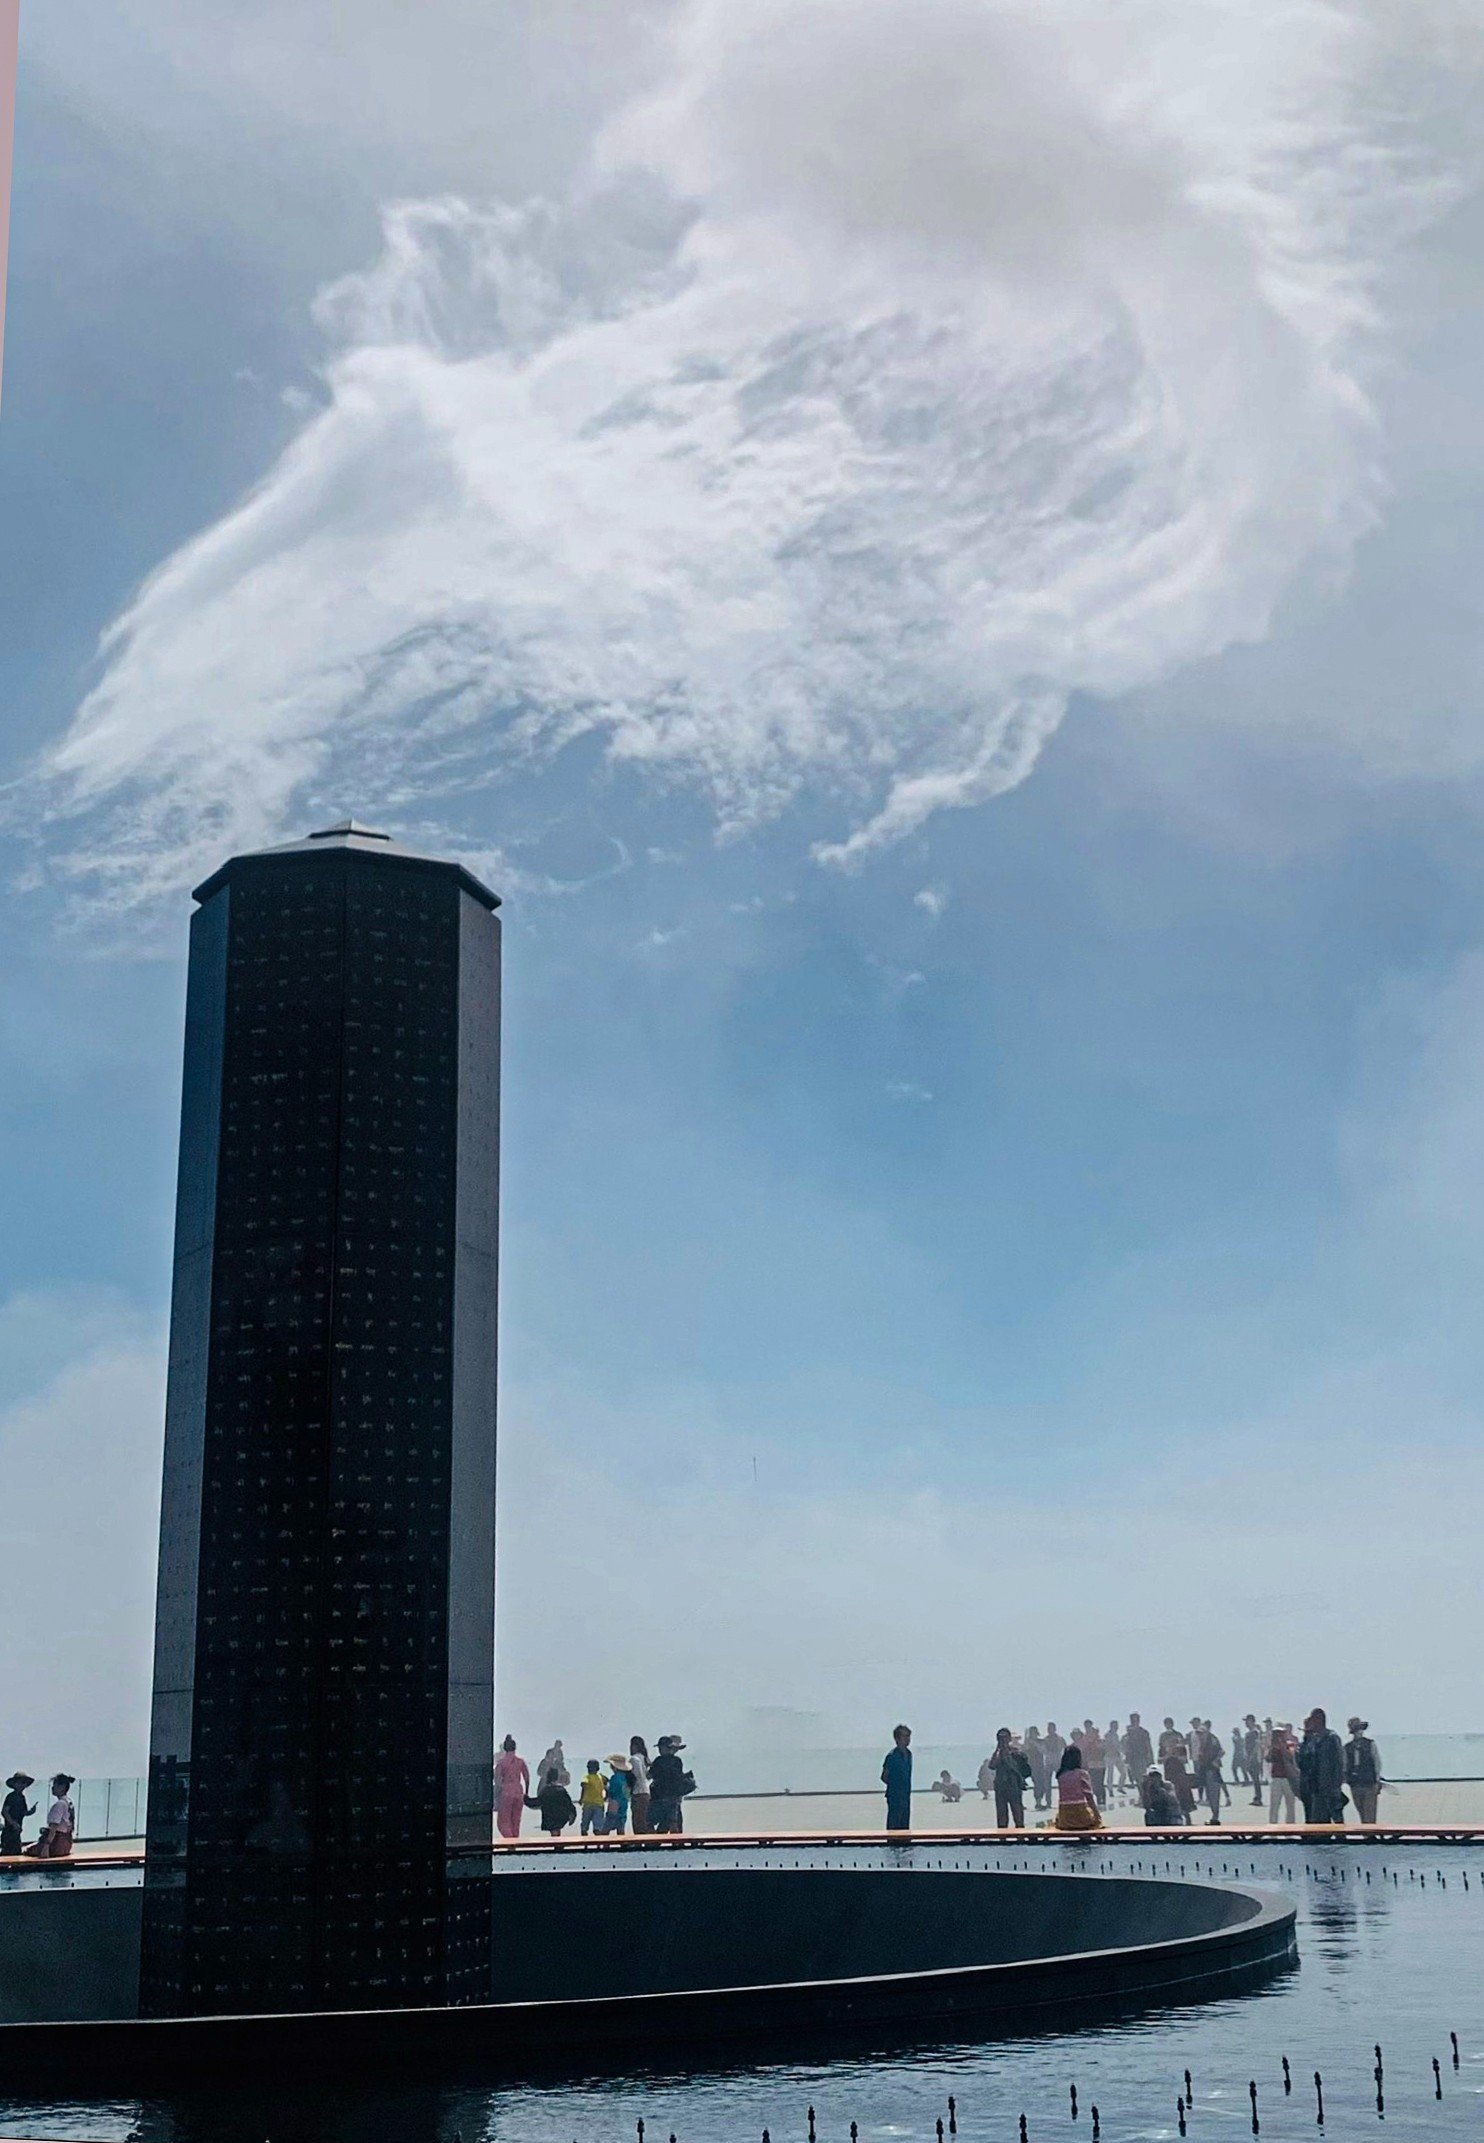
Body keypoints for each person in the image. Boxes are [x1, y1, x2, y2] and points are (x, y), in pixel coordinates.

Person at [1298, 1709, 1345, 1824]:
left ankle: (1341, 1840)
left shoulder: (1331, 1738)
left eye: (1313, 1720)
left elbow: (1339, 1763)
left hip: (1330, 1787)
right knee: (1319, 1821)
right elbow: (1303, 1761)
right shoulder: (1313, 1739)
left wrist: (1336, 1785)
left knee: (1337, 1819)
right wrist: (1306, 1736)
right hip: (1316, 1787)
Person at [1053, 1743, 1103, 1832]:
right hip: (1080, 1816)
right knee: (1094, 1820)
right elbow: (1089, 1797)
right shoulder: (1082, 1774)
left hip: (1064, 1819)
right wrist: (1097, 1816)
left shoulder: (1061, 1775)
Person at [649, 1735, 694, 1833]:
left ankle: (654, 1843)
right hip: (673, 1796)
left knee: (651, 1821)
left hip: (659, 1796)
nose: (660, 1750)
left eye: (661, 1748)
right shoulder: (677, 1761)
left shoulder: (658, 1761)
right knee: (673, 1821)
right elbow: (678, 1777)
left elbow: (650, 1775)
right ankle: (676, 1843)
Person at [988, 1728, 1031, 1829]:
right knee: (1002, 1816)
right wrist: (998, 1750)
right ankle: (1002, 1838)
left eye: (1005, 1738)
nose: (1003, 1740)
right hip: (1000, 1786)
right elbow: (992, 1765)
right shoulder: (997, 1753)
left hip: (1014, 1786)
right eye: (1000, 1738)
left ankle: (1020, 1836)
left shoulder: (1016, 1752)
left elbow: (1022, 1765)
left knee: (1018, 1814)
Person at [1344, 1718, 1382, 1825]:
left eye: (1360, 1729)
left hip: (1369, 1782)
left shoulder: (1370, 1744)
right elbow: (1345, 1765)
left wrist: (1377, 1780)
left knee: (1370, 1812)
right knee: (1361, 1811)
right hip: (1355, 1784)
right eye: (1356, 1730)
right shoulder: (1347, 1747)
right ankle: (1366, 1836)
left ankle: (1370, 1835)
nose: (1359, 1732)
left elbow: (1377, 1763)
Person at [494, 1736, 530, 1839]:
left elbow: (497, 1781)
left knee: (503, 1822)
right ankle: (515, 1841)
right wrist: (526, 1792)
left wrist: (496, 1795)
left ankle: (510, 1842)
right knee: (516, 1821)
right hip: (518, 1792)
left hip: (505, 1792)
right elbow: (527, 1777)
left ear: (505, 1748)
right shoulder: (520, 1761)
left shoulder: (501, 1763)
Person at [33, 1775, 75, 1860]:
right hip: (66, 1844)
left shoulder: (59, 1804)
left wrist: (46, 1846)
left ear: (62, 1787)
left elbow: (54, 1827)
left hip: (57, 1844)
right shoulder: (69, 1802)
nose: (52, 1787)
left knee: (27, 1850)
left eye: (55, 1785)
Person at [881, 1724, 913, 1834]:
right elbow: (884, 1776)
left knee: (905, 1825)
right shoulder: (892, 1756)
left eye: (908, 1736)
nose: (908, 1739)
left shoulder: (909, 1754)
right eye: (905, 1737)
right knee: (894, 1825)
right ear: (897, 1739)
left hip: (906, 1795)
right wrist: (896, 1785)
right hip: (895, 1796)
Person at [1267, 1723, 1300, 1825]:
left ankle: (1290, 1826)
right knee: (1274, 1805)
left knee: (1290, 1804)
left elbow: (1291, 1756)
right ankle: (1272, 1826)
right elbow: (1268, 1759)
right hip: (1276, 1778)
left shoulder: (1290, 1744)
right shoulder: (1272, 1748)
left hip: (1288, 1778)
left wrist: (1282, 1746)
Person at [1194, 1723, 1225, 1824]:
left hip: (1212, 1770)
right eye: (1198, 1734)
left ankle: (1215, 1816)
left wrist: (1215, 1760)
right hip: (1205, 1770)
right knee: (1209, 1794)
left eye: (1201, 1733)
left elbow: (1221, 1751)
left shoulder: (1212, 1740)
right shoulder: (1202, 1742)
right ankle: (1214, 1816)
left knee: (1214, 1794)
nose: (1199, 1736)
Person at [1163, 1733, 1197, 1821]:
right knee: (1174, 1797)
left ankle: (1187, 1816)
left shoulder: (1181, 1750)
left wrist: (1176, 1755)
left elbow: (1185, 1760)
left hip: (1181, 1776)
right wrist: (1168, 1755)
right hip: (1171, 1776)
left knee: (1184, 1797)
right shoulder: (1165, 1751)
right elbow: (1160, 1760)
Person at [534, 1767, 577, 1836]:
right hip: (560, 1817)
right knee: (557, 1831)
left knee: (554, 1832)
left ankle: (557, 1845)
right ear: (557, 1777)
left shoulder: (545, 1791)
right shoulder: (561, 1790)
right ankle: (558, 1845)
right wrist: (573, 1814)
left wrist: (525, 1799)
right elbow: (569, 1804)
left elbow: (536, 1802)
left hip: (549, 1818)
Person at [1, 1774, 34, 1858]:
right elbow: (4, 1812)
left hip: (17, 1831)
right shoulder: (10, 1797)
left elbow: (24, 1812)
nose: (22, 1785)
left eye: (24, 1783)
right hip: (9, 1830)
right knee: (7, 1853)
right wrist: (13, 1823)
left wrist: (31, 1812)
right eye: (20, 1783)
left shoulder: (22, 1798)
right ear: (14, 1784)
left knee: (16, 1852)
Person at [603, 1753, 633, 1835]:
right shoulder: (627, 1778)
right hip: (623, 1805)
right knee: (621, 1829)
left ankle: (604, 1847)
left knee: (605, 1830)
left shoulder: (615, 1778)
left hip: (614, 1805)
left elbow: (612, 1792)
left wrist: (605, 1787)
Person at [628, 1737, 652, 1834]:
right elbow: (647, 1776)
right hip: (646, 1791)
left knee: (638, 1821)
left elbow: (638, 1775)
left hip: (638, 1792)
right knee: (644, 1819)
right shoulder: (644, 1758)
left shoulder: (634, 1759)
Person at [1080, 1720, 1106, 1807]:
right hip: (1090, 1763)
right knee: (1093, 1782)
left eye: (1089, 1726)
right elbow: (1084, 1750)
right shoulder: (1084, 1738)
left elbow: (1102, 1749)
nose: (1087, 1727)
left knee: (1100, 1782)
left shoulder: (1098, 1738)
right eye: (1086, 1726)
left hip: (1100, 1763)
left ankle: (1101, 1798)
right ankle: (1096, 1798)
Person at [1024, 1728, 1050, 1811]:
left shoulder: (1041, 1741)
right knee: (1037, 1783)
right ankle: (1038, 1802)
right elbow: (1025, 1750)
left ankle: (1040, 1801)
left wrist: (1035, 1743)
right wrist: (1027, 1741)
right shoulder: (1028, 1742)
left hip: (1040, 1765)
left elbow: (1044, 1751)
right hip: (1032, 1766)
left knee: (1042, 1784)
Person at [578, 1759, 606, 1836]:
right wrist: (606, 1797)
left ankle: (585, 1844)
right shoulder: (601, 1777)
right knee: (597, 1827)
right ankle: (599, 1845)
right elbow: (607, 1786)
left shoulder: (587, 1777)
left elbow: (583, 1787)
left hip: (588, 1804)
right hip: (599, 1804)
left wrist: (581, 1799)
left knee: (584, 1826)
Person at [1124, 1714, 1154, 1783]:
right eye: (1133, 1720)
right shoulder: (1128, 1733)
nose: (1134, 1722)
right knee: (1135, 1776)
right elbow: (1125, 1745)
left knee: (1142, 1775)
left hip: (1141, 1756)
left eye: (1136, 1720)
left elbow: (1148, 1744)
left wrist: (1150, 1757)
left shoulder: (1143, 1732)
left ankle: (1144, 1791)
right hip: (1132, 1757)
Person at [1243, 1716, 1265, 1808]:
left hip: (1254, 1758)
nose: (1245, 1723)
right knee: (1254, 1777)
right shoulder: (1249, 1733)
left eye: (1247, 1721)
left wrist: (1251, 1757)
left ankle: (1258, 1798)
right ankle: (1257, 1797)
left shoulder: (1254, 1732)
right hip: (1250, 1757)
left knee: (1255, 1778)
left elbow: (1256, 1745)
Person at [1105, 1722, 1125, 1797]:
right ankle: (1110, 1790)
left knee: (1123, 1772)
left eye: (1116, 1726)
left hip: (1117, 1756)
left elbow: (1118, 1746)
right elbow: (1109, 1745)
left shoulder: (1116, 1735)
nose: (1116, 1728)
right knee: (1110, 1773)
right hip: (1109, 1756)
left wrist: (1123, 1752)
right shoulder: (1108, 1735)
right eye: (1114, 1726)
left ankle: (1120, 1787)